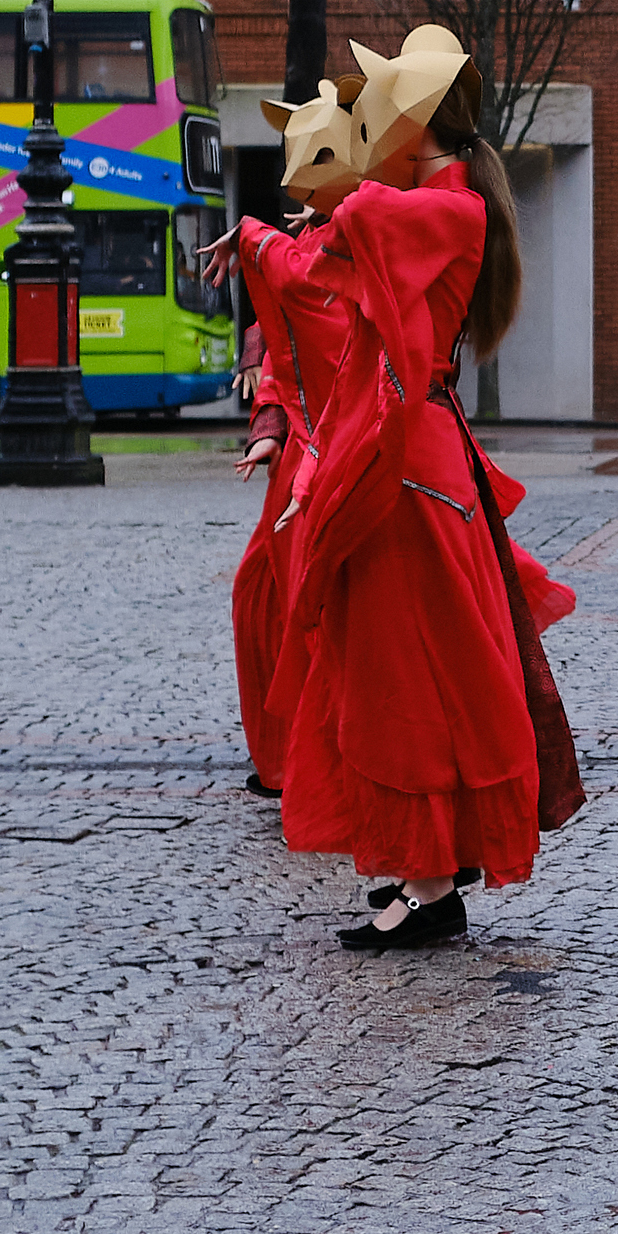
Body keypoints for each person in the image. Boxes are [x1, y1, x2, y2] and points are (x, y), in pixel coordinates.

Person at [206, 27, 583, 952]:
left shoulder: (433, 210)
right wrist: (271, 236)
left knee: (403, 675)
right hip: (415, 463)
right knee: (416, 669)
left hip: (408, 470)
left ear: (410, 122)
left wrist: (268, 232)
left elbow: (344, 235)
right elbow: (328, 257)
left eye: (381, 110)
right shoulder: (438, 206)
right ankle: (427, 873)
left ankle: (425, 882)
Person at [224, 77, 363, 796]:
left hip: (347, 447)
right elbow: (283, 352)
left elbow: (322, 344)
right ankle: (291, 756)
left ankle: (323, 759)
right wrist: (271, 428)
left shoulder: (357, 238)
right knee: (263, 592)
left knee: (319, 604)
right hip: (305, 449)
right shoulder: (312, 237)